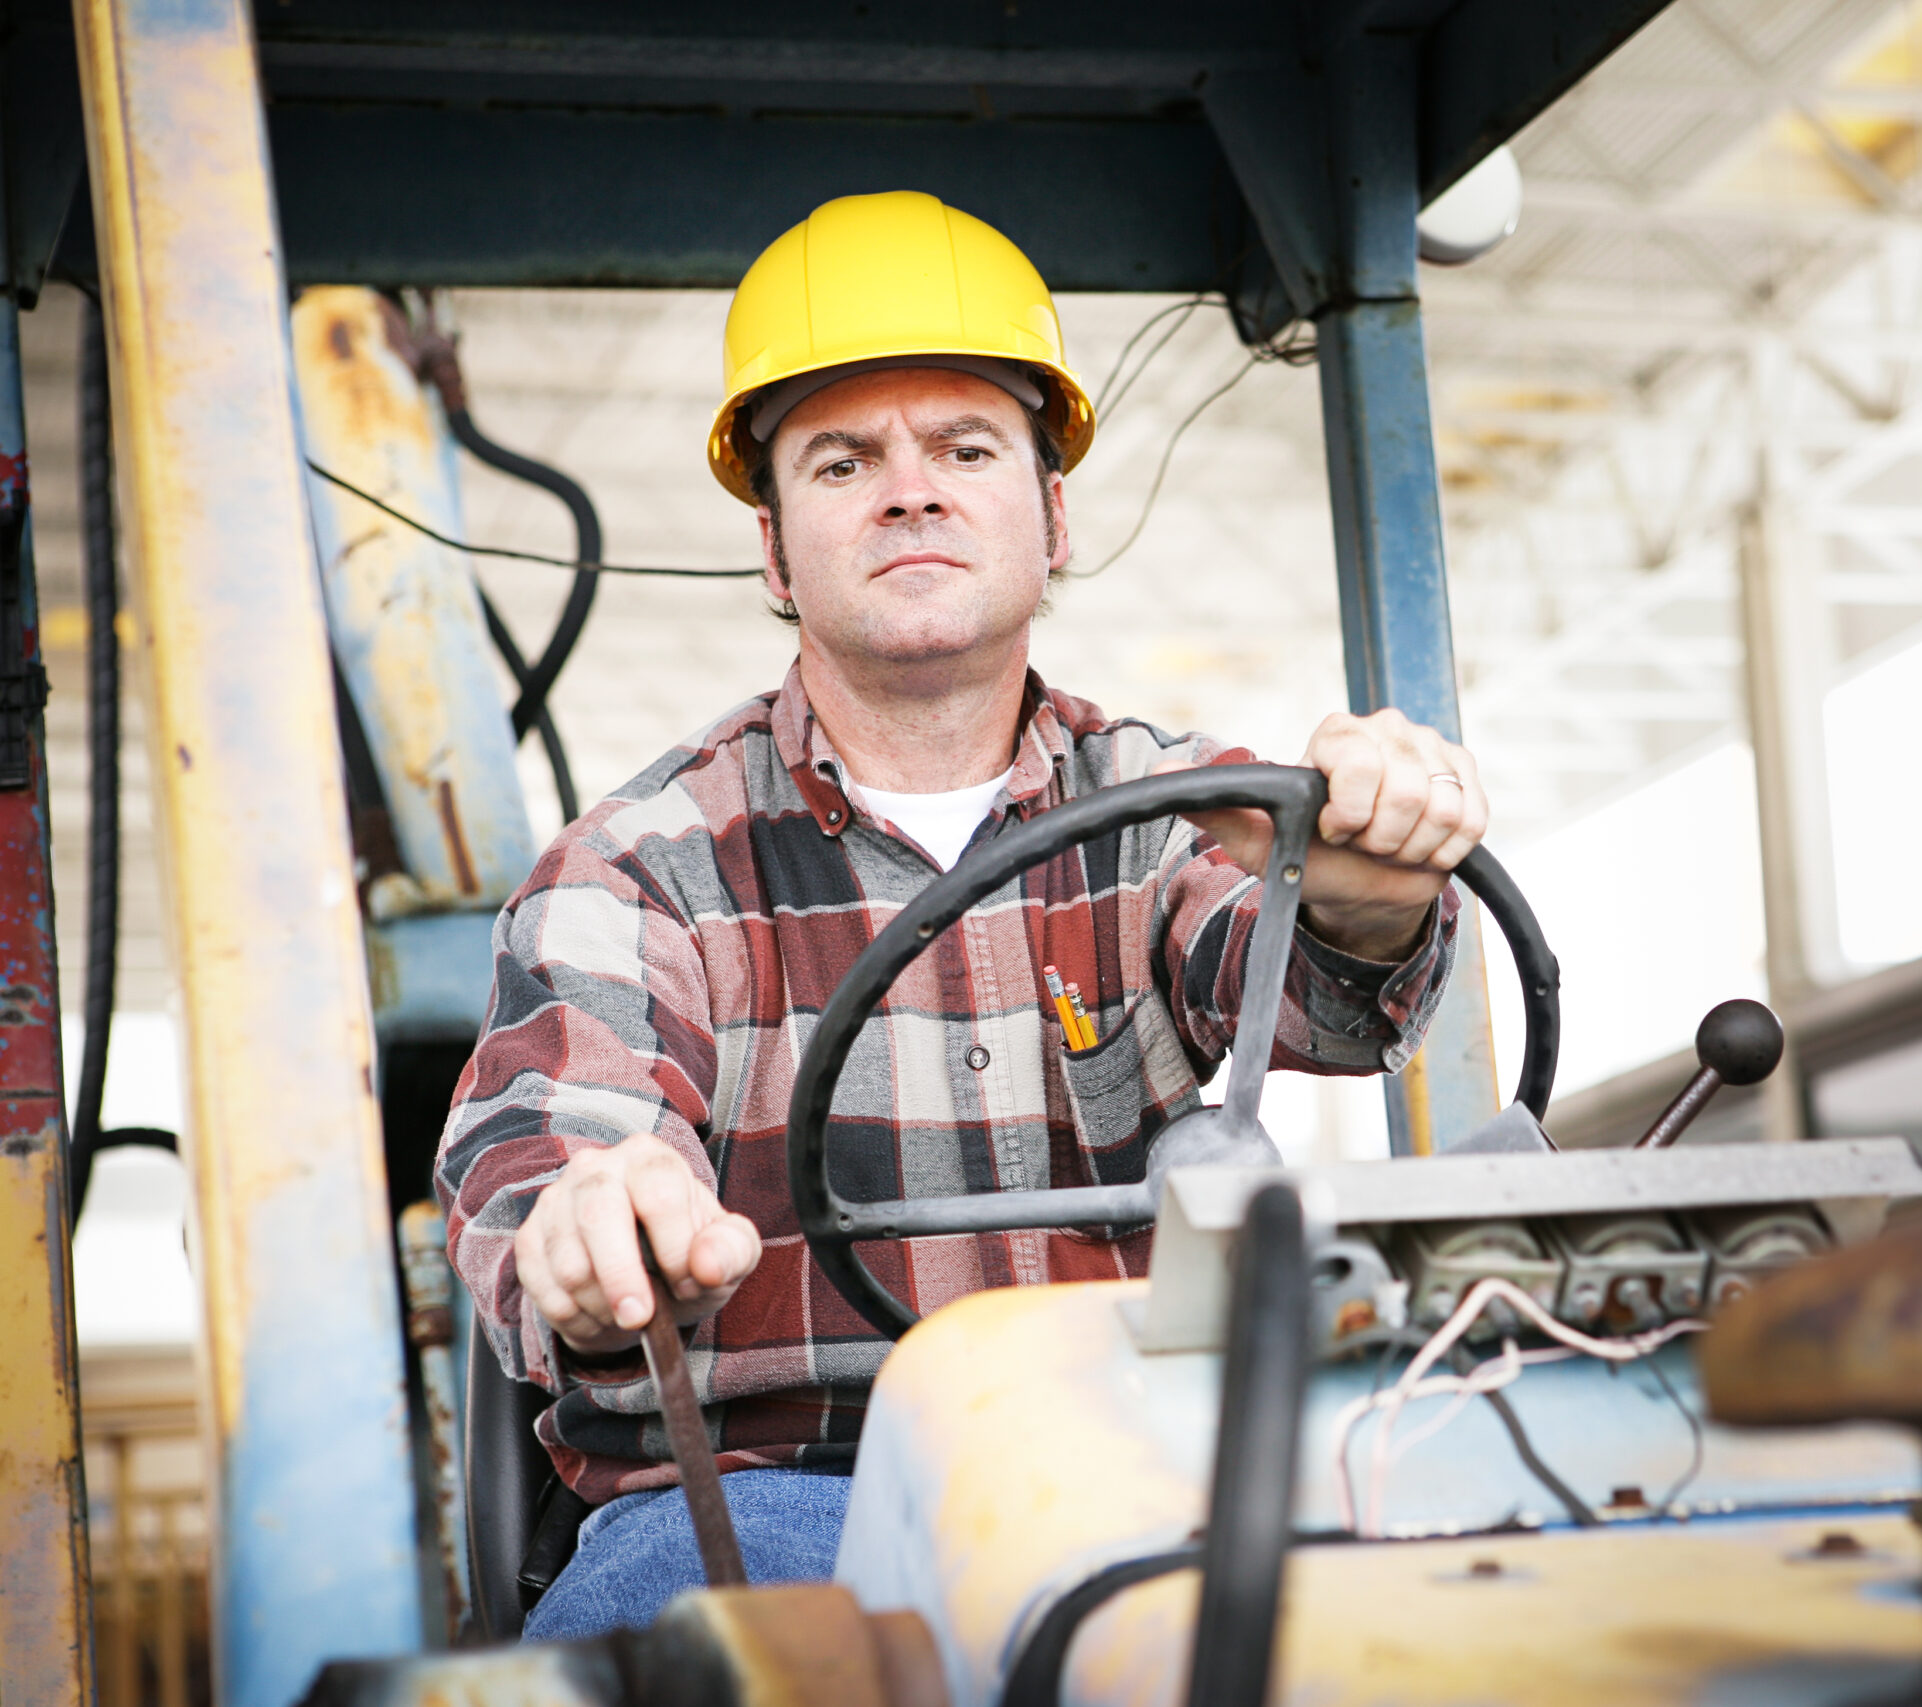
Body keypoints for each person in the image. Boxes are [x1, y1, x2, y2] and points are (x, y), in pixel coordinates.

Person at [435, 191, 1490, 1640]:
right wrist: (595, 1217)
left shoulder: (1184, 804)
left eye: (966, 449)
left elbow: (1287, 981)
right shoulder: (635, 867)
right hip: (779, 1492)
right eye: (842, 459)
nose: (909, 490)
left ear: (1052, 517)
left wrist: (1363, 910)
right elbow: (557, 1138)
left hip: (1153, 1457)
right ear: (774, 549)